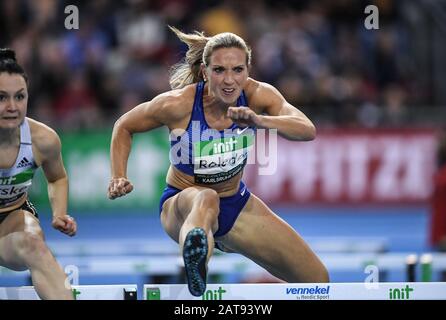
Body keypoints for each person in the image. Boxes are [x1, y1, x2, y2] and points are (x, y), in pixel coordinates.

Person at [108, 27, 329, 296]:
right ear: (204, 72)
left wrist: (260, 120)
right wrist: (118, 175)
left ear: (248, 71)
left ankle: (201, 247)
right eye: (219, 70)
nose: (229, 80)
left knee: (318, 281)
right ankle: (196, 259)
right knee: (206, 198)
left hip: (236, 205)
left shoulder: (258, 95)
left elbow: (307, 129)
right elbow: (123, 126)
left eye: (237, 70)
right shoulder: (178, 105)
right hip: (182, 203)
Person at [0, 48, 77, 300]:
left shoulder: (43, 139)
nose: (12, 107)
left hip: (10, 221)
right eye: (1, 98)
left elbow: (57, 177)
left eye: (19, 97)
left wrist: (59, 213)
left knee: (34, 241)